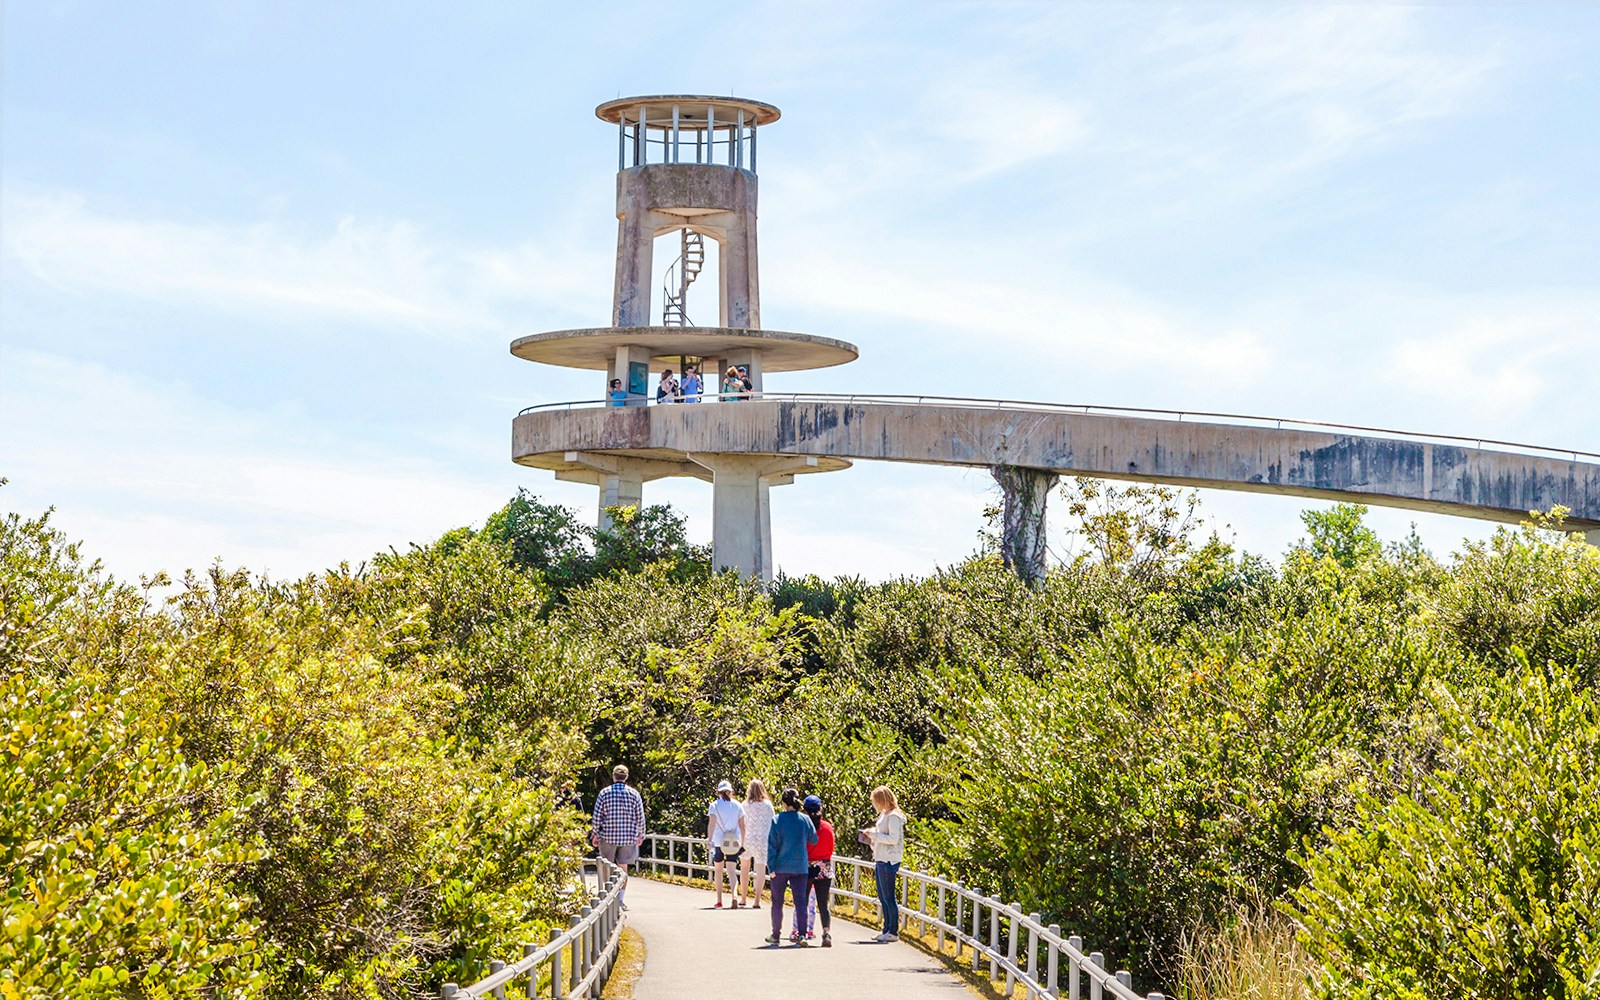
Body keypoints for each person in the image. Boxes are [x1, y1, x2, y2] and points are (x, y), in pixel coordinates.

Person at [765, 788, 817, 947]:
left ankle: (776, 935)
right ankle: (802, 934)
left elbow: (771, 846)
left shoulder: (776, 820)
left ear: (783, 803)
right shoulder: (805, 819)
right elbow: (814, 839)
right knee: (801, 902)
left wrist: (771, 866)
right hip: (800, 866)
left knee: (777, 902)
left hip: (780, 866)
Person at [591, 764, 646, 909]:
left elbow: (597, 816)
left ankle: (607, 897)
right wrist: (640, 834)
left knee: (606, 866)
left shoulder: (604, 793)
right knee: (623, 868)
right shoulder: (633, 794)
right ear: (626, 777)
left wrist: (595, 834)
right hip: (628, 837)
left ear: (614, 776)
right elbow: (640, 817)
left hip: (607, 836)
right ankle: (620, 900)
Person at [859, 785, 906, 942]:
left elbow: (893, 839)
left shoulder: (893, 816)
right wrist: (872, 835)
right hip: (881, 857)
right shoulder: (885, 814)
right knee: (883, 896)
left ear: (881, 801)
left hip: (888, 859)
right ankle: (886, 928)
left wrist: (874, 835)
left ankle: (893, 930)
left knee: (888, 896)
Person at [798, 794, 835, 947]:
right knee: (823, 904)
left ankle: (803, 934)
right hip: (824, 868)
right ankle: (826, 933)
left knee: (803, 902)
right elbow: (831, 848)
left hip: (807, 867)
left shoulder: (803, 827)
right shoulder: (827, 827)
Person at [706, 779, 746, 908]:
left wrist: (709, 840)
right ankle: (734, 895)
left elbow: (711, 824)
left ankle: (719, 900)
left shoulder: (714, 806)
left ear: (718, 792)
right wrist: (743, 843)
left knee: (718, 870)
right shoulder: (738, 805)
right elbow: (743, 826)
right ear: (730, 792)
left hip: (718, 842)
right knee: (731, 870)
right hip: (734, 842)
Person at [739, 780, 775, 909]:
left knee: (744, 868)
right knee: (760, 869)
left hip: (747, 839)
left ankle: (743, 898)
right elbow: (773, 822)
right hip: (762, 840)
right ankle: (757, 900)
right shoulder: (768, 805)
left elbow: (741, 823)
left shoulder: (745, 805)